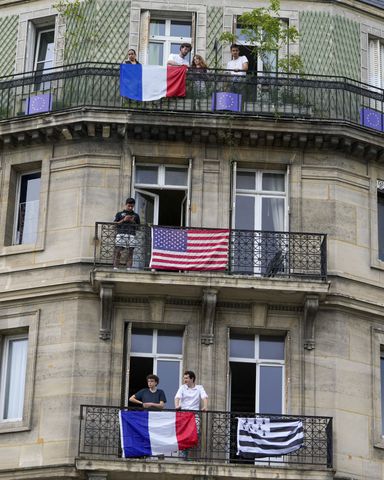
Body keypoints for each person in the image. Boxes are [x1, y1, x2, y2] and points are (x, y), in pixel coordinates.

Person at [113, 197, 140, 270]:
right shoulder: (119, 214)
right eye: (129, 206)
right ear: (126, 205)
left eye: (132, 206)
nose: (131, 208)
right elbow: (114, 225)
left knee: (130, 251)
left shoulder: (136, 215)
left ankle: (129, 268)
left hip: (132, 234)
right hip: (121, 233)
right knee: (118, 250)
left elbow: (139, 228)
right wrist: (123, 220)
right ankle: (115, 267)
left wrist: (133, 221)